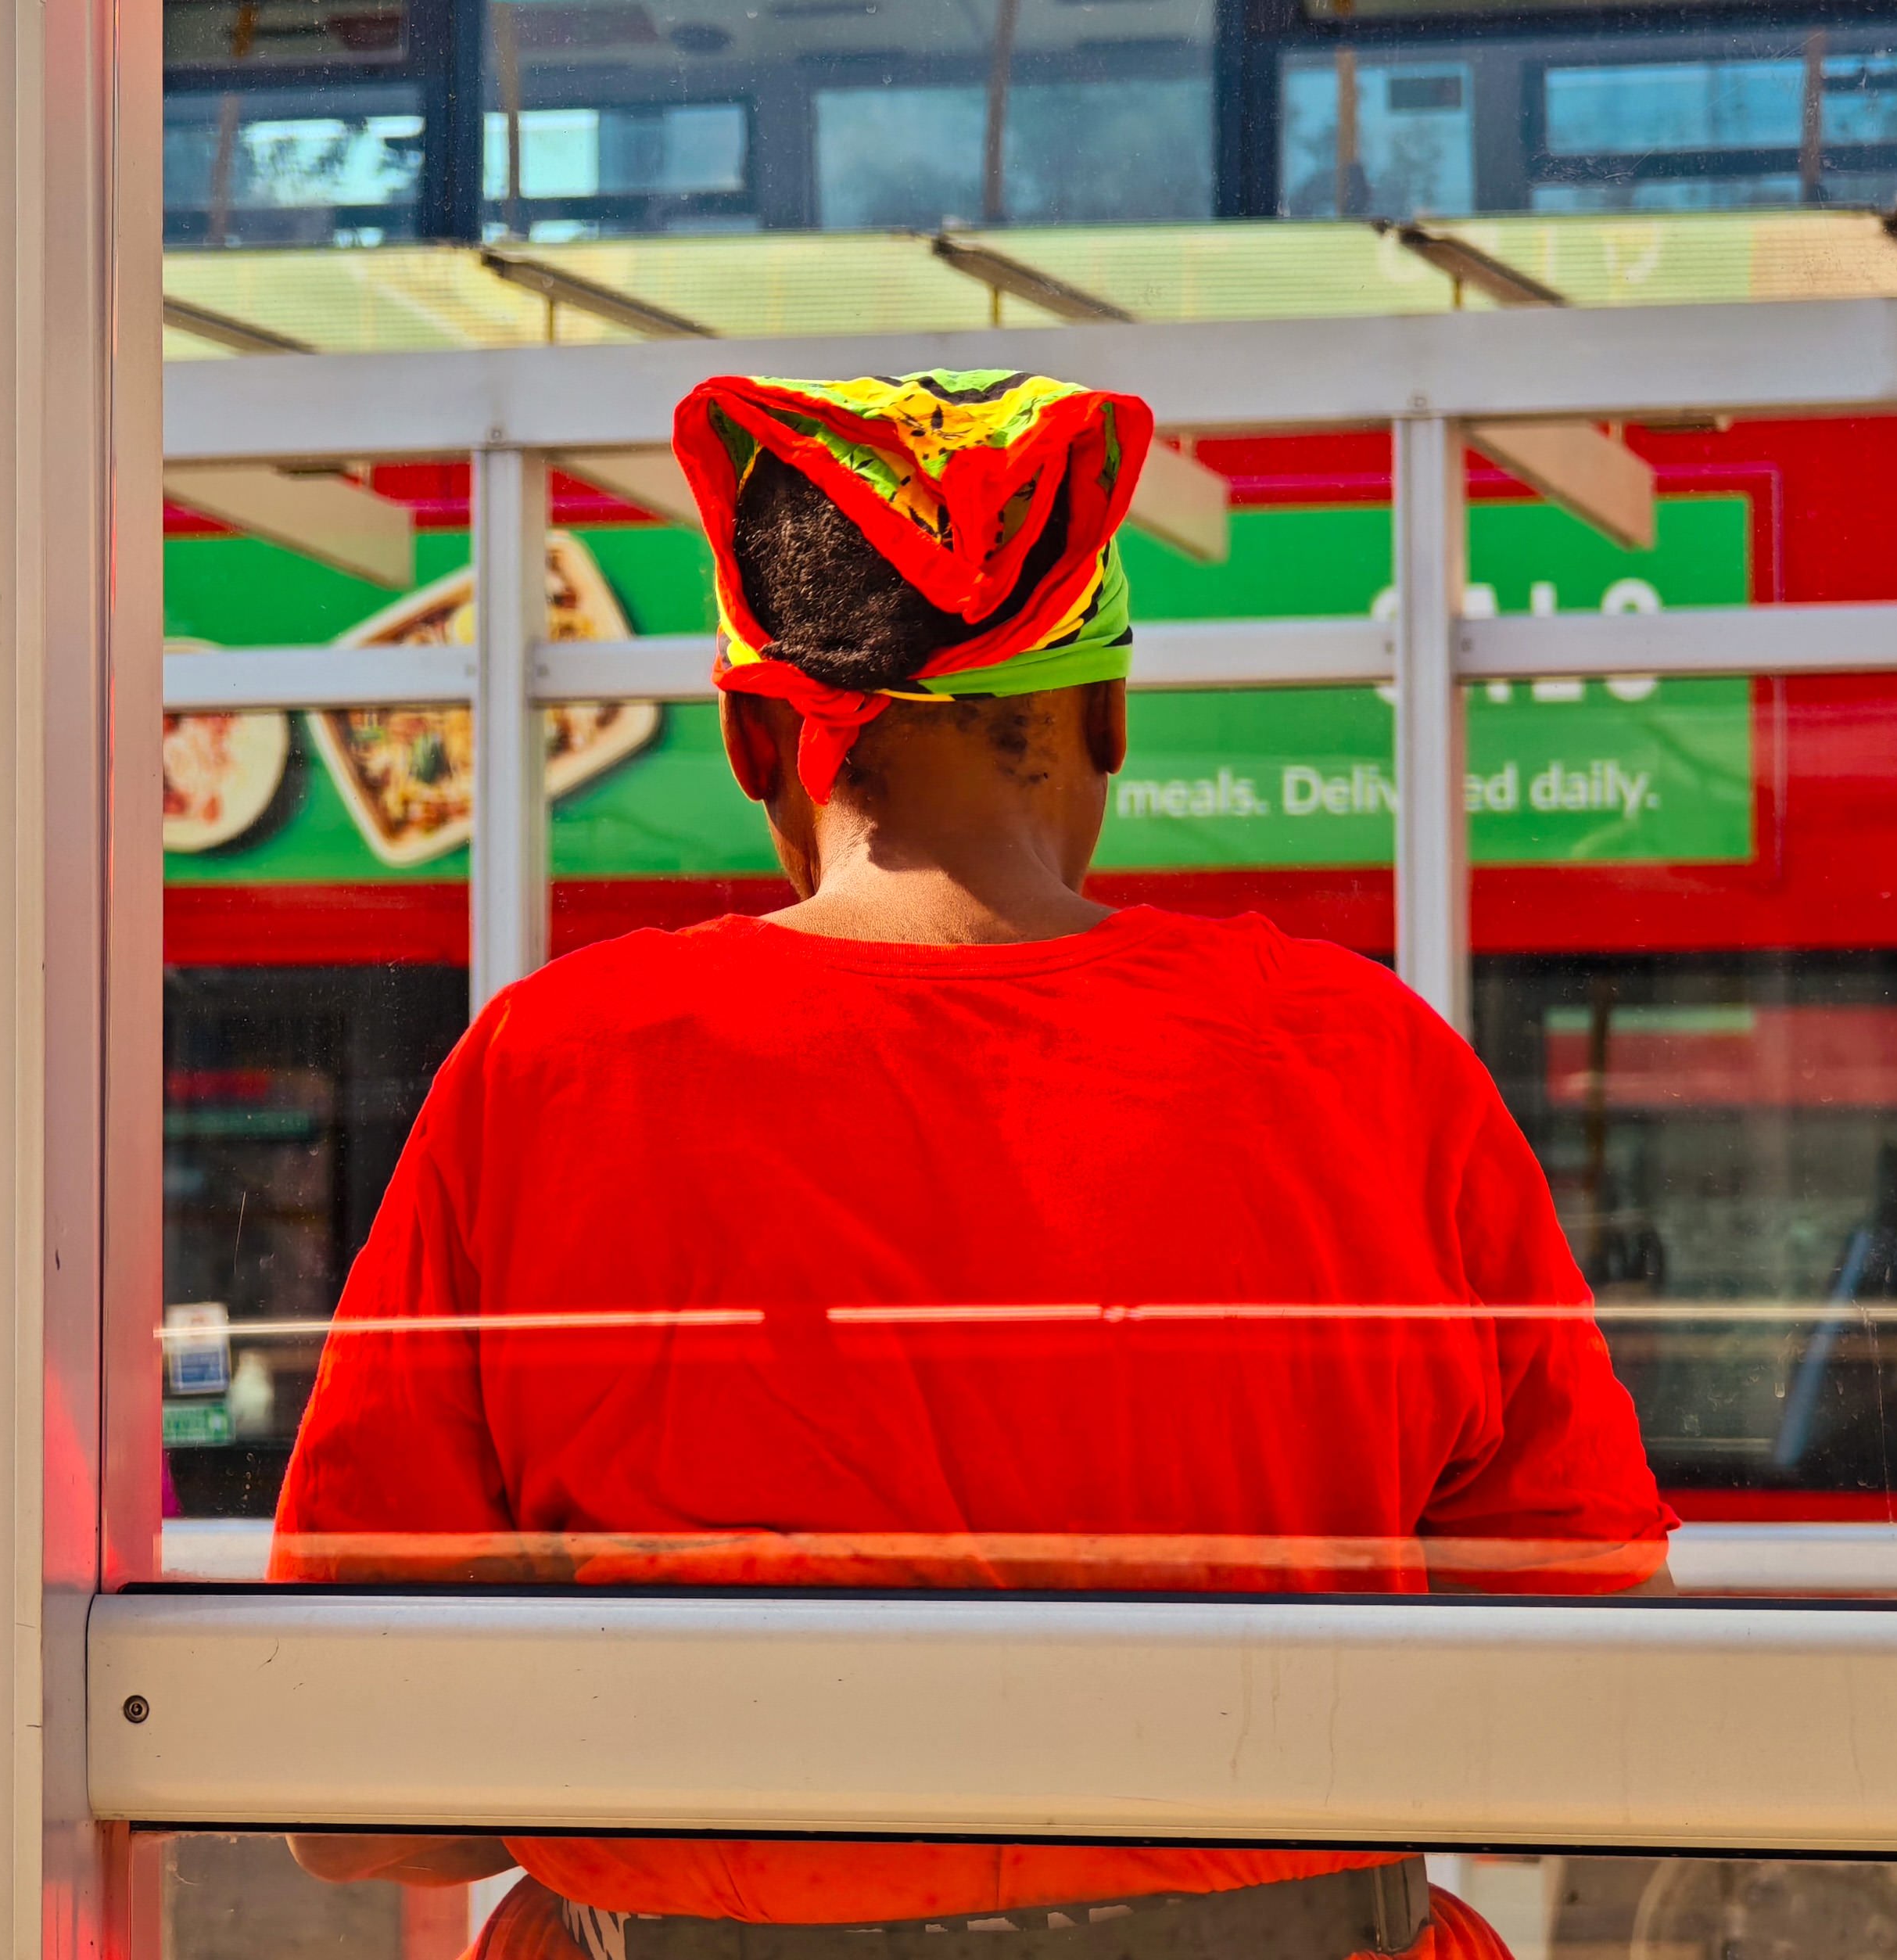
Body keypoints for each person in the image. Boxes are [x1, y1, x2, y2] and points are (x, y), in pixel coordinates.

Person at [268, 372, 1675, 1960]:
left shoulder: (549, 1069)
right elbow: (1592, 1690)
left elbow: (351, 1796)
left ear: (751, 739)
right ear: (1109, 718)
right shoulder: (1367, 1058)